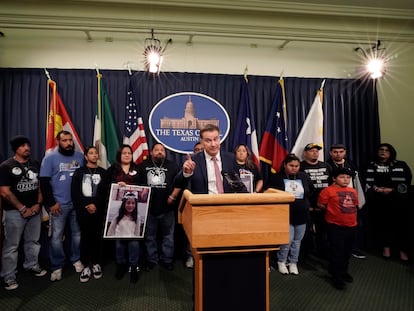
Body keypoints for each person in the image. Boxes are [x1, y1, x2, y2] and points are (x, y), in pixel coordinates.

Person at [0, 136, 47, 290]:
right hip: (14, 213)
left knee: (33, 241)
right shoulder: (6, 166)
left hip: (34, 211)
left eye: (28, 145)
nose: (27, 148)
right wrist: (22, 208)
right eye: (22, 146)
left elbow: (40, 186)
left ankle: (32, 264)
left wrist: (38, 204)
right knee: (11, 246)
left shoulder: (35, 164)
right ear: (16, 149)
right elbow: (5, 192)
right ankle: (9, 275)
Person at [40, 130, 85, 282]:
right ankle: (57, 266)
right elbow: (44, 182)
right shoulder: (50, 158)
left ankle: (76, 259)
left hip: (77, 204)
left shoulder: (80, 157)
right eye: (64, 140)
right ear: (58, 141)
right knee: (56, 237)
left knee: (77, 235)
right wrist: (51, 203)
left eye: (70, 140)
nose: (68, 143)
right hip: (59, 205)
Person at [266, 153, 314, 275]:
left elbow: (310, 191)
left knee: (297, 241)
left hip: (302, 214)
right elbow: (269, 194)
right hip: (285, 215)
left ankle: (293, 262)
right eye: (291, 165)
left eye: (297, 166)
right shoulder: (276, 177)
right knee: (286, 240)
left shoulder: (303, 176)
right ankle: (281, 261)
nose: (294, 168)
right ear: (285, 165)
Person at [365, 143, 412, 261]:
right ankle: (386, 249)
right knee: (383, 224)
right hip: (379, 200)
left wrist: (392, 190)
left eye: (386, 150)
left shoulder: (401, 165)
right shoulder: (371, 165)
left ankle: (402, 250)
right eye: (381, 149)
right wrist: (377, 189)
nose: (383, 152)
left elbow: (406, 183)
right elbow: (367, 183)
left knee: (402, 226)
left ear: (391, 153)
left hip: (398, 200)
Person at [137, 143, 179, 271]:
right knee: (150, 237)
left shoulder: (173, 166)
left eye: (162, 150)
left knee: (168, 236)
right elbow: (138, 186)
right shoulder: (142, 166)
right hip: (149, 209)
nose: (160, 152)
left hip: (168, 208)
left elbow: (179, 183)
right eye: (157, 150)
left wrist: (173, 196)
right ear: (151, 152)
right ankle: (152, 260)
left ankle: (167, 260)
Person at [175, 124, 247, 194]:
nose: (213, 144)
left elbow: (238, 184)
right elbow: (178, 184)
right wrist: (187, 173)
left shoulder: (230, 159)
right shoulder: (194, 160)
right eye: (208, 141)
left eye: (215, 139)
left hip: (226, 203)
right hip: (203, 203)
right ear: (202, 142)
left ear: (219, 139)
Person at [317, 167, 359, 290]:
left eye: (348, 177)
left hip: (351, 225)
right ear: (334, 178)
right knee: (337, 252)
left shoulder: (353, 191)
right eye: (342, 177)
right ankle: (337, 277)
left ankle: (343, 272)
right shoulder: (327, 191)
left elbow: (355, 205)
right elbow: (321, 205)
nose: (345, 180)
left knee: (347, 252)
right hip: (335, 226)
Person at [71, 146, 107, 283]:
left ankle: (96, 263)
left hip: (98, 211)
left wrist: (95, 205)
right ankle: (86, 265)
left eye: (96, 153)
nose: (94, 155)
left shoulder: (104, 173)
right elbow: (75, 193)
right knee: (85, 237)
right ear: (86, 156)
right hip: (83, 211)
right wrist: (86, 206)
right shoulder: (79, 173)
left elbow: (104, 193)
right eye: (91, 153)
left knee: (97, 237)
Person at [106, 144, 141, 283]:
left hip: (133, 213)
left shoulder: (138, 170)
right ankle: (121, 265)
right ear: (119, 155)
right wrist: (115, 184)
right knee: (119, 243)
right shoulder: (112, 170)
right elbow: (105, 187)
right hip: (121, 212)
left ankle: (134, 266)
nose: (127, 155)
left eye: (129, 153)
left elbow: (144, 186)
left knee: (134, 243)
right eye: (124, 153)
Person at [327, 144, 366, 259]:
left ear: (345, 152)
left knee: (352, 227)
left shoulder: (351, 164)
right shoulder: (327, 165)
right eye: (335, 152)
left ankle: (352, 248)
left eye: (341, 151)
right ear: (330, 153)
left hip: (351, 199)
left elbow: (357, 182)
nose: (338, 154)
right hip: (335, 201)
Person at [299, 143, 332, 260]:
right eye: (311, 151)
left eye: (316, 151)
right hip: (307, 205)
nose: (315, 153)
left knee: (323, 232)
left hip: (324, 205)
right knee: (305, 232)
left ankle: (323, 252)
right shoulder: (301, 167)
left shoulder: (326, 166)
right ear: (305, 153)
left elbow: (332, 184)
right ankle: (306, 254)